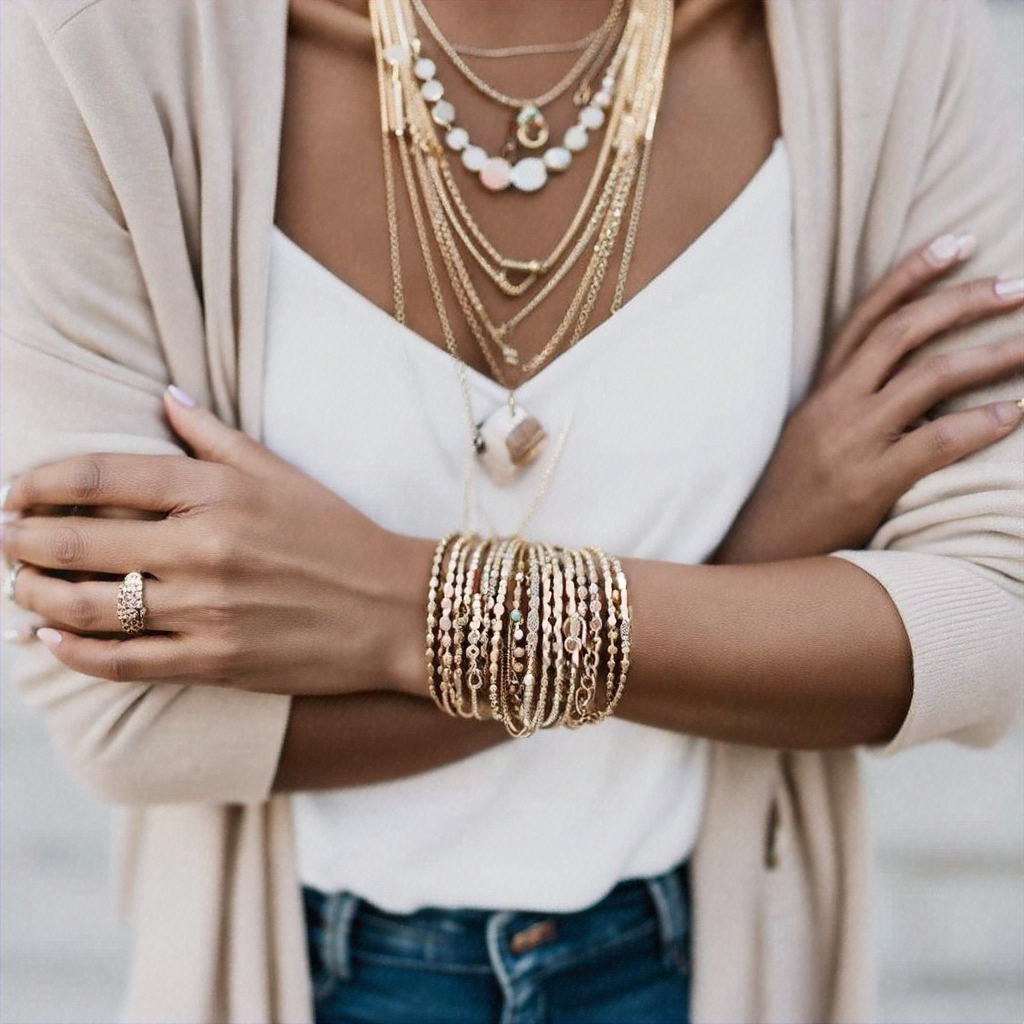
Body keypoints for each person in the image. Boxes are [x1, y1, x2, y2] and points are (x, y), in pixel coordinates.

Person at [0, 1, 1020, 1022]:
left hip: (705, 956)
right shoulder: (100, 45)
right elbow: (128, 718)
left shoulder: (891, 37)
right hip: (310, 968)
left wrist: (405, 608)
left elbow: (988, 616)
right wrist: (740, 580)